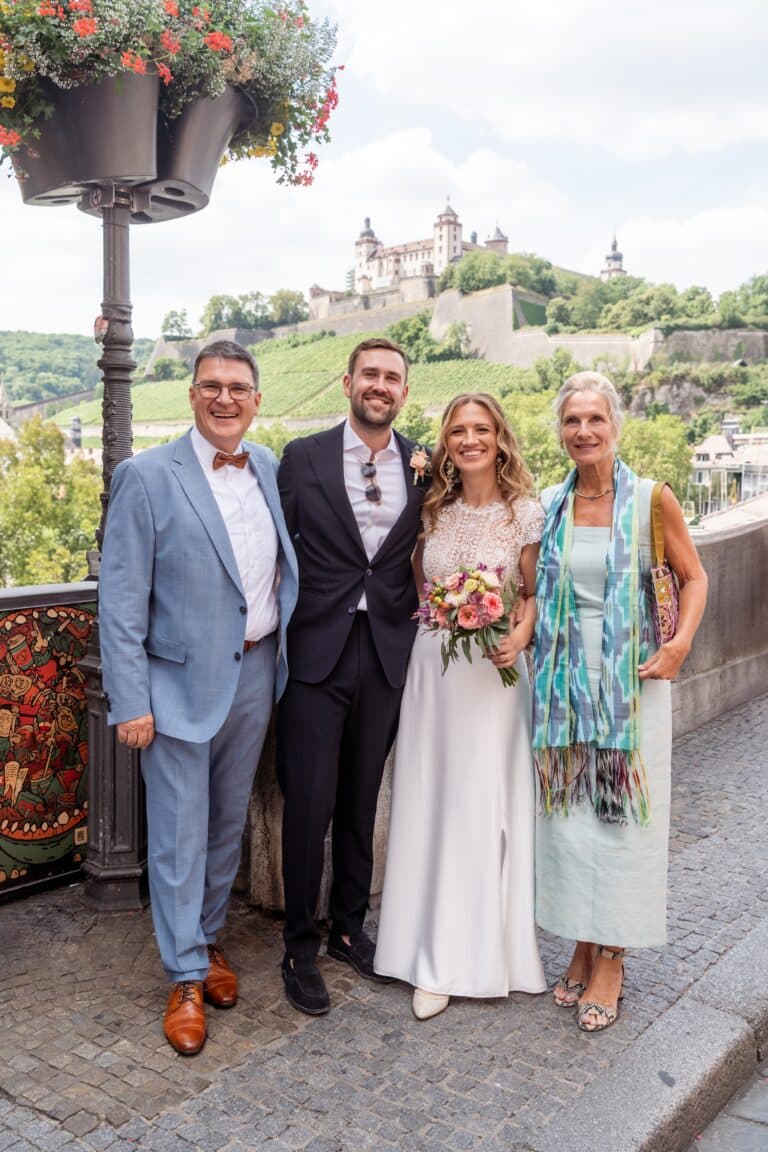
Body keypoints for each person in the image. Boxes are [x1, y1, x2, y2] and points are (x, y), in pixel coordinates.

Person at [99, 340, 298, 1056]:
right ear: (190, 394)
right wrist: (130, 699)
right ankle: (184, 976)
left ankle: (205, 938)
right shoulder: (145, 476)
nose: (225, 398)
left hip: (255, 671)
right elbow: (121, 599)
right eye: (211, 385)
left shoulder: (267, 466)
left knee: (222, 827)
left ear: (256, 399)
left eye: (238, 387)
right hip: (174, 683)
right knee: (178, 833)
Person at [532, 371, 707, 1033]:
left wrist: (681, 644)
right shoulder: (551, 503)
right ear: (561, 431)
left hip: (629, 689)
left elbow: (694, 578)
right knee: (571, 825)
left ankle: (611, 957)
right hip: (562, 692)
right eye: (572, 421)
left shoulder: (650, 500)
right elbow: (530, 590)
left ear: (615, 426)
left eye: (594, 420)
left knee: (618, 824)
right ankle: (580, 937)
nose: (583, 432)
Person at [374, 393, 546, 1019]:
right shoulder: (433, 509)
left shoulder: (524, 514)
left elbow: (530, 594)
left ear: (499, 438)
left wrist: (518, 636)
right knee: (429, 797)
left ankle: (472, 953)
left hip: (492, 676)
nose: (469, 440)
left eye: (481, 429)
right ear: (444, 441)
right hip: (434, 667)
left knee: (481, 803)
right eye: (458, 430)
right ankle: (419, 947)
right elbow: (418, 586)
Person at [277, 336, 428, 1016]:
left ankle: (347, 928)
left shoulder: (425, 465)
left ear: (403, 391)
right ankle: (299, 946)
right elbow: (274, 551)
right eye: (369, 373)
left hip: (387, 651)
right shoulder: (302, 458)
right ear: (347, 383)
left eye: (392, 377)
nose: (380, 385)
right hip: (317, 651)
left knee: (361, 800)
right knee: (308, 803)